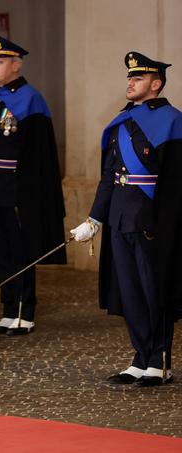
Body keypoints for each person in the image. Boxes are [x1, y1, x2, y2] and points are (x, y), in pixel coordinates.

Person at [71, 52, 182, 386]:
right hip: (120, 217)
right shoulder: (122, 122)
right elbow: (110, 176)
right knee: (130, 290)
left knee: (154, 289)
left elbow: (176, 184)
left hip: (152, 221)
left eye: (138, 78)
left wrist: (165, 224)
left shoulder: (172, 121)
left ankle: (159, 361)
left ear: (156, 84)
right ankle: (140, 355)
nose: (130, 83)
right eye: (129, 78)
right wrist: (94, 219)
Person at [0, 36, 66, 335]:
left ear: (16, 65)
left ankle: (24, 311)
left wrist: (31, 193)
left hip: (16, 188)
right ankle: (8, 309)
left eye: (0, 62)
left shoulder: (30, 99)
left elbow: (38, 155)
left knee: (20, 251)